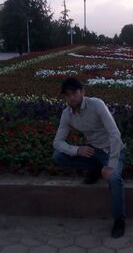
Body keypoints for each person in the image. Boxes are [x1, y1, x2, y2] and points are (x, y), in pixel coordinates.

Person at [52, 77, 126, 238]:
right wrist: (77, 150)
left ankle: (119, 220)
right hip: (92, 150)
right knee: (58, 156)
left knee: (114, 179)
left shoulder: (97, 104)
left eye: (74, 93)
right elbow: (57, 142)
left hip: (111, 150)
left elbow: (115, 134)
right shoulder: (67, 114)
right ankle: (96, 168)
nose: (71, 98)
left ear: (82, 91)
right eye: (67, 95)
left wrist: (111, 165)